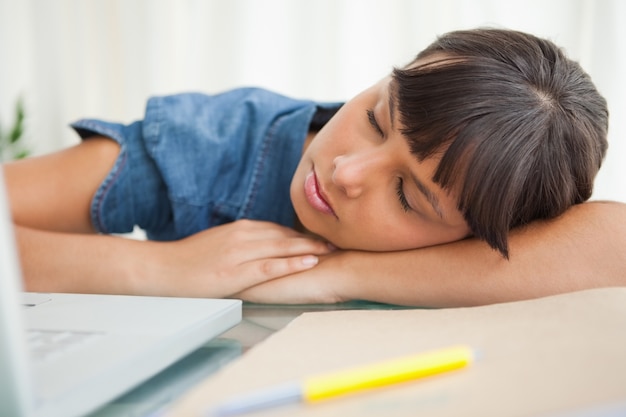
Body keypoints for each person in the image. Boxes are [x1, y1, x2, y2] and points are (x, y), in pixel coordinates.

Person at [4, 28, 626, 307]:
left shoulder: (504, 240)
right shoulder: (217, 145)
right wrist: (157, 268)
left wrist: (343, 275)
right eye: (377, 118)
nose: (347, 172)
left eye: (408, 197)